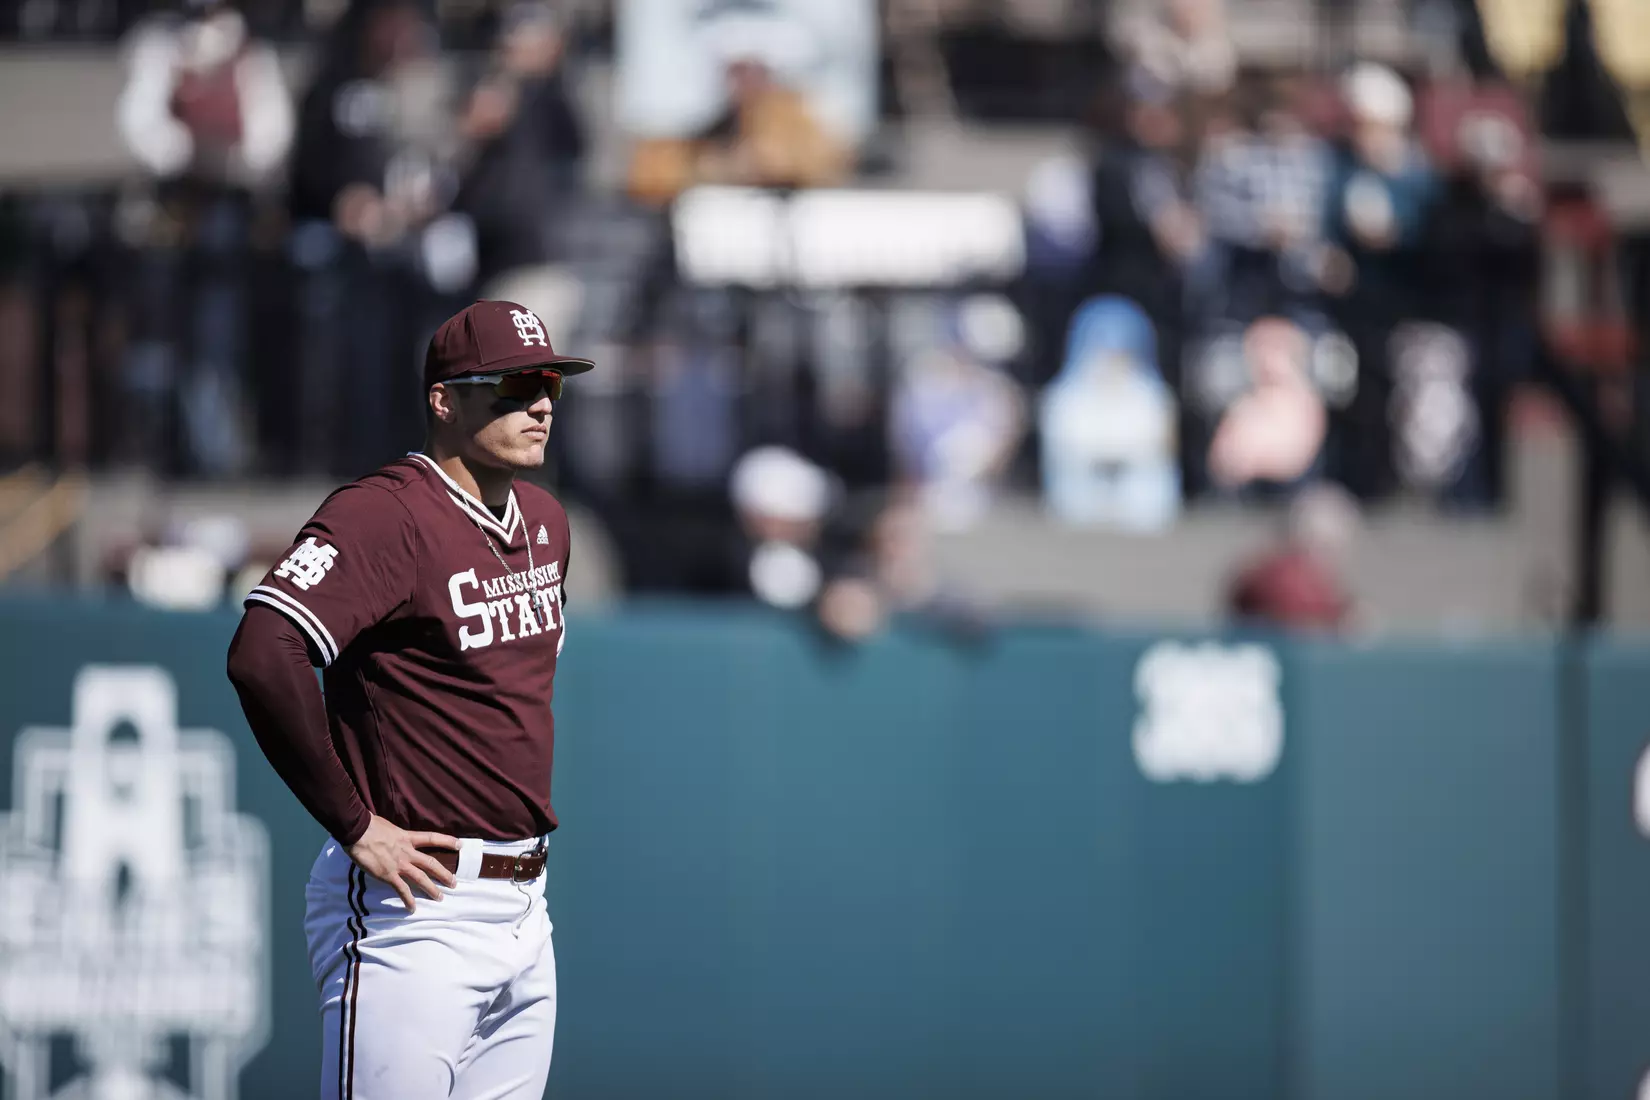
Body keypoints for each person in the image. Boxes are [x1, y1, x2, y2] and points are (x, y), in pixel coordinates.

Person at [225, 299, 595, 1099]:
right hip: (416, 909)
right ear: (445, 400)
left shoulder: (546, 523)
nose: (539, 404)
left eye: (551, 386)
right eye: (514, 385)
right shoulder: (385, 513)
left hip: (526, 908)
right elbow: (264, 651)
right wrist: (353, 824)